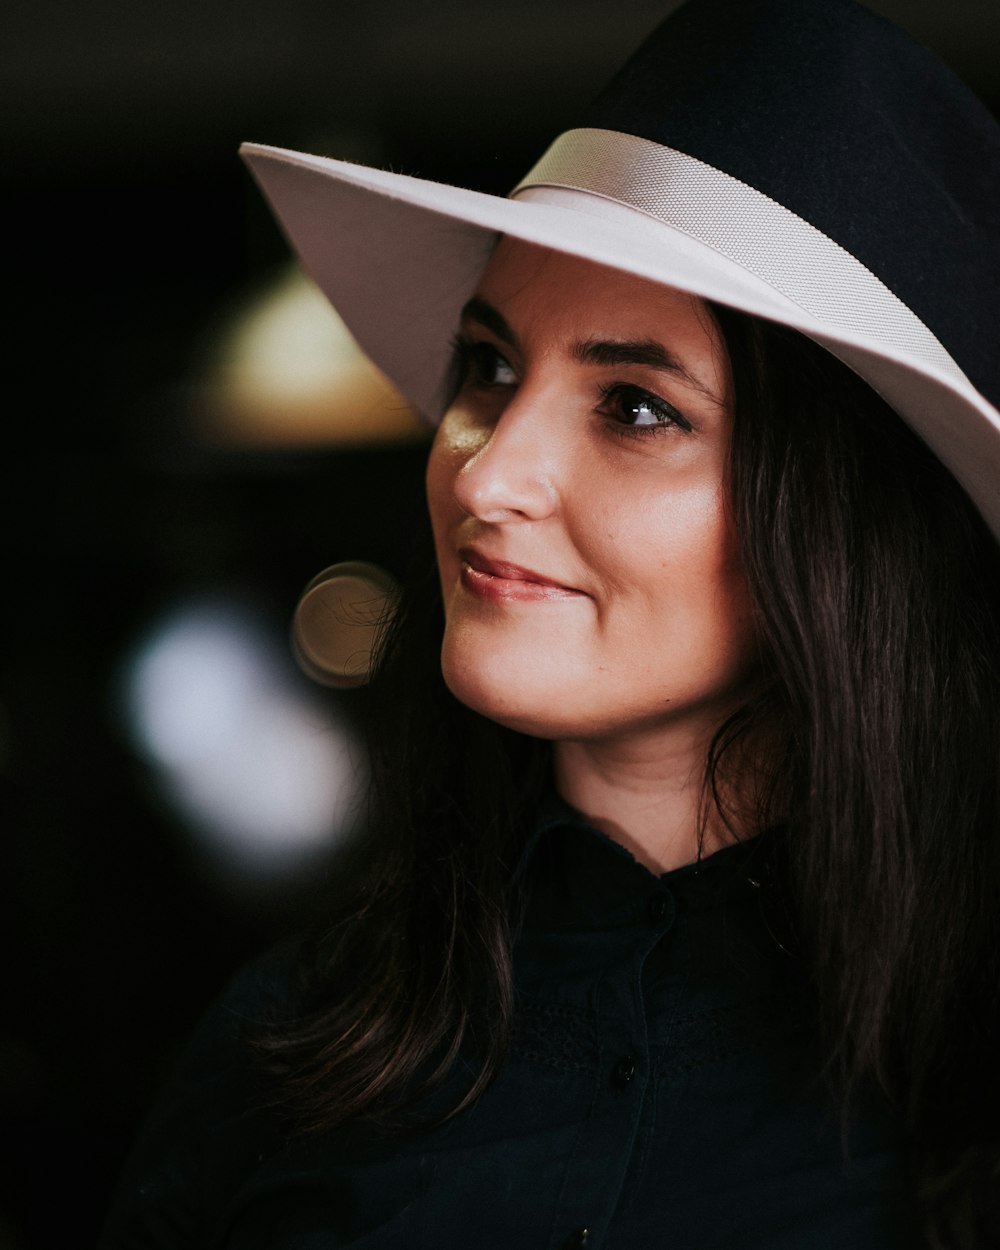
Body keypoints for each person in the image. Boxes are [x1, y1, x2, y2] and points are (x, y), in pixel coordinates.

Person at [102, 0, 1000, 1246]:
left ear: (844, 519)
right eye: (489, 366)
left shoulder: (958, 1087)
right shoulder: (293, 1046)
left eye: (634, 407)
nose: (482, 474)